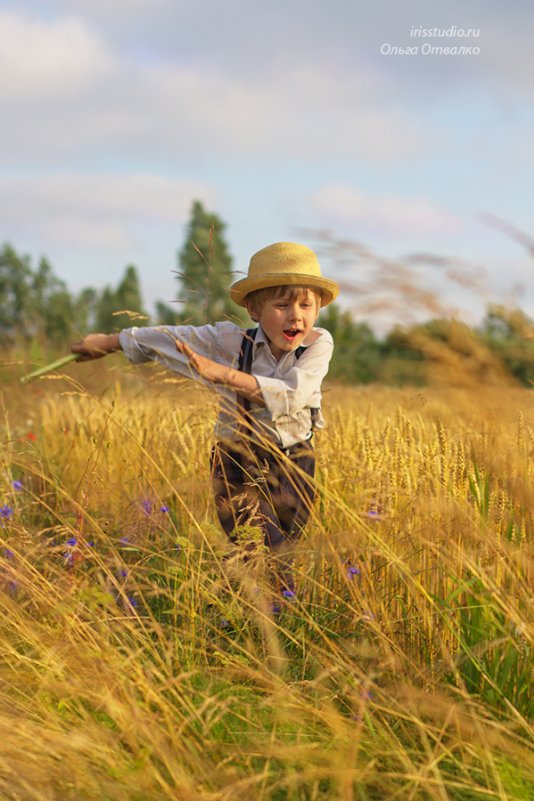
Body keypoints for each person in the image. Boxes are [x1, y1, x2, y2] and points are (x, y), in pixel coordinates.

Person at [72, 241, 339, 606]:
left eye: (306, 305)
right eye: (281, 305)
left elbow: (293, 394)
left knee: (280, 549)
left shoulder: (318, 344)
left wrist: (221, 374)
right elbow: (173, 338)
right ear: (254, 307)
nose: (296, 316)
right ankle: (266, 621)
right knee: (261, 544)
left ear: (318, 308)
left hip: (295, 461)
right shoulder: (230, 341)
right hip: (235, 461)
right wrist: (111, 341)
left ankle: (234, 610)